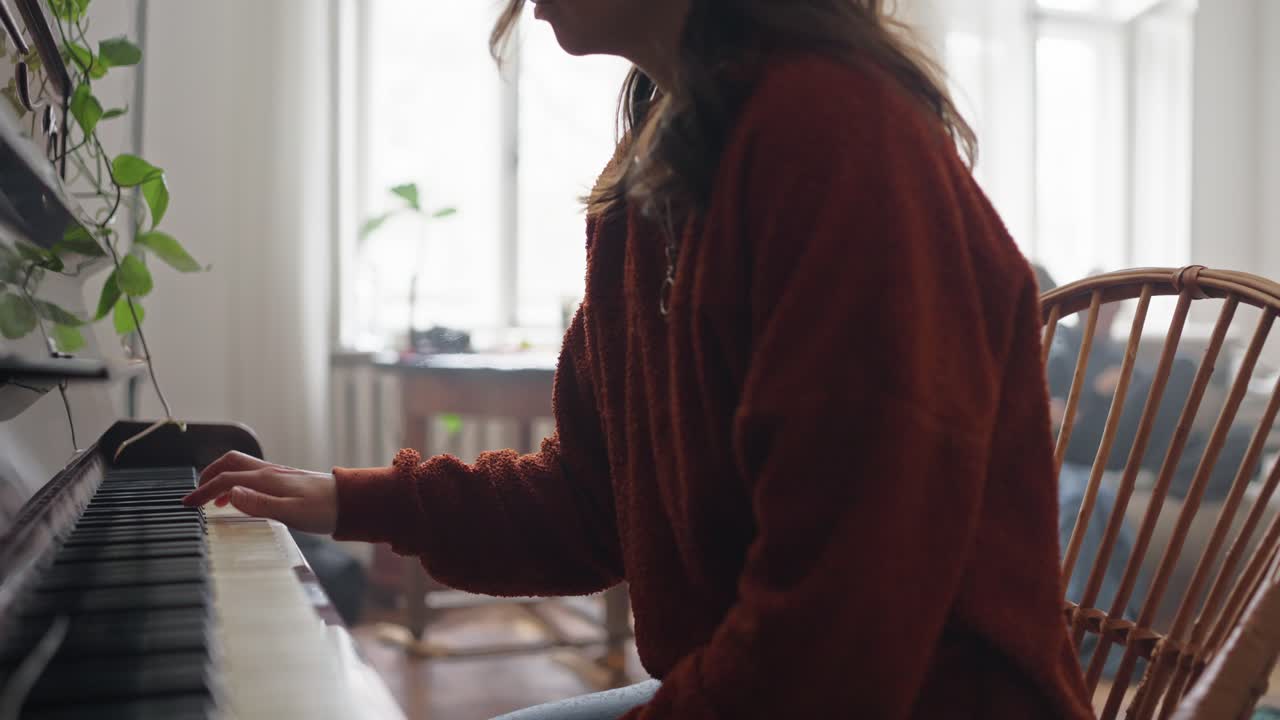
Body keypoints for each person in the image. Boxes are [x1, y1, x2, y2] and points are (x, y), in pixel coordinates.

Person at [183, 1, 1095, 717]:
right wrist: (348, 498)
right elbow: (593, 501)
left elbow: (837, 646)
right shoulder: (645, 187)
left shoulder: (843, 139)